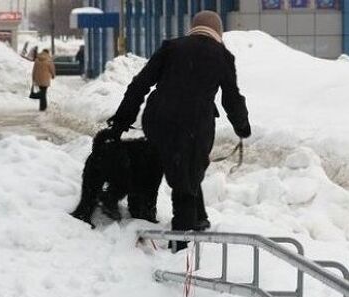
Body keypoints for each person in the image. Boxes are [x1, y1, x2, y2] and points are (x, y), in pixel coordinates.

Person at [107, 11, 251, 252]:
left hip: (158, 119)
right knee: (186, 180)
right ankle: (181, 246)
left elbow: (140, 83)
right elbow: (232, 99)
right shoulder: (222, 56)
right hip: (194, 125)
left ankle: (150, 214)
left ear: (192, 28)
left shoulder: (172, 47)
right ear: (218, 32)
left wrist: (122, 120)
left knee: (166, 166)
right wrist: (242, 127)